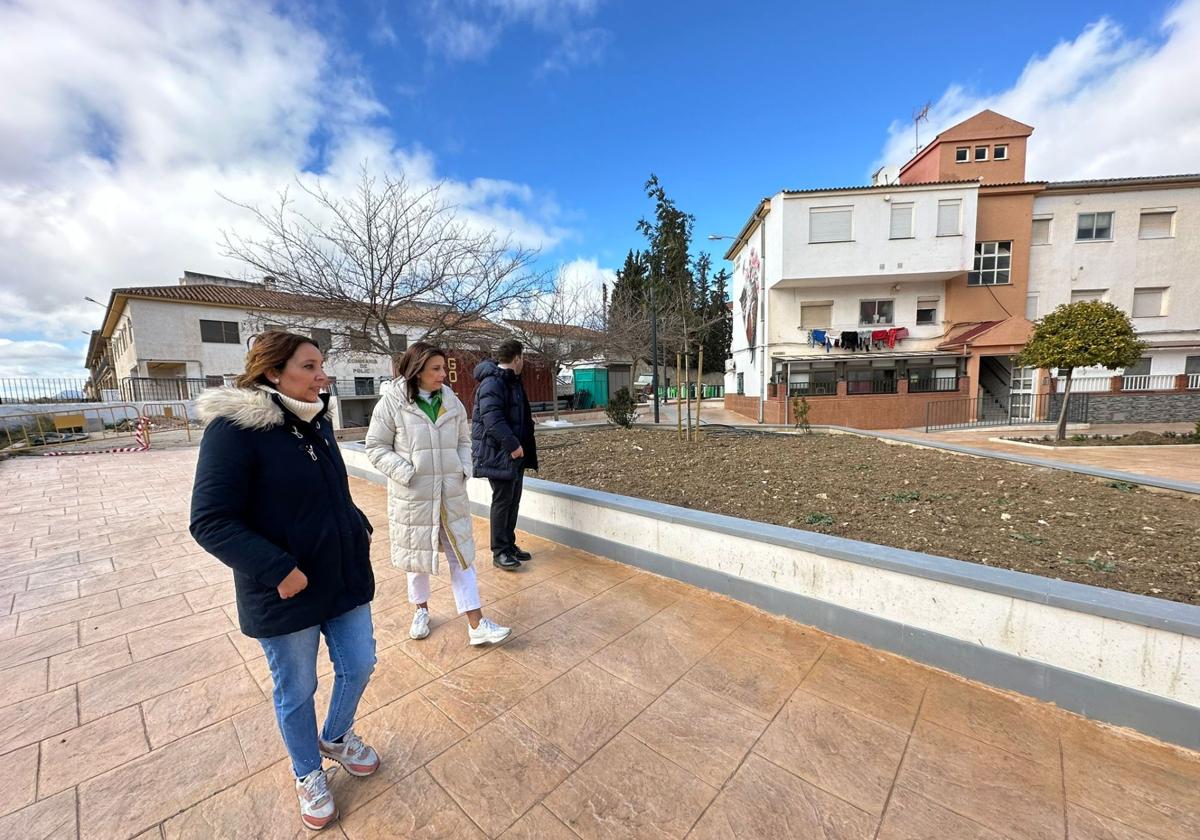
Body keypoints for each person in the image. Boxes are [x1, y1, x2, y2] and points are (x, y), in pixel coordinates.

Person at [190, 331, 379, 832]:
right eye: (310, 366)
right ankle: (307, 773)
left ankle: (335, 736)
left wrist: (355, 522)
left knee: (360, 663)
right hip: (285, 589)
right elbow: (210, 520)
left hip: (342, 576)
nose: (324, 375)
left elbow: (325, 490)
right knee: (297, 688)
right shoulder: (233, 430)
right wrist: (279, 570)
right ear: (273, 373)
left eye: (322, 365)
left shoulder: (312, 419)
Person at [365, 342, 512, 646]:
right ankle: (420, 610)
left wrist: (463, 469)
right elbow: (376, 447)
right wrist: (407, 473)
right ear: (416, 370)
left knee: (462, 557)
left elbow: (463, 439)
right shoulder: (392, 403)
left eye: (443, 368)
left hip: (450, 495)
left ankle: (476, 624)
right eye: (436, 368)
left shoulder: (451, 401)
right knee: (417, 560)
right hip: (414, 498)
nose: (443, 374)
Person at [471, 338, 538, 569]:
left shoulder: (511, 381)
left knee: (512, 501)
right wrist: (513, 445)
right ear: (517, 357)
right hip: (499, 454)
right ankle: (499, 551)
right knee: (502, 502)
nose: (523, 363)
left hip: (514, 456)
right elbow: (493, 420)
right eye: (523, 358)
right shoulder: (493, 383)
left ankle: (509, 545)